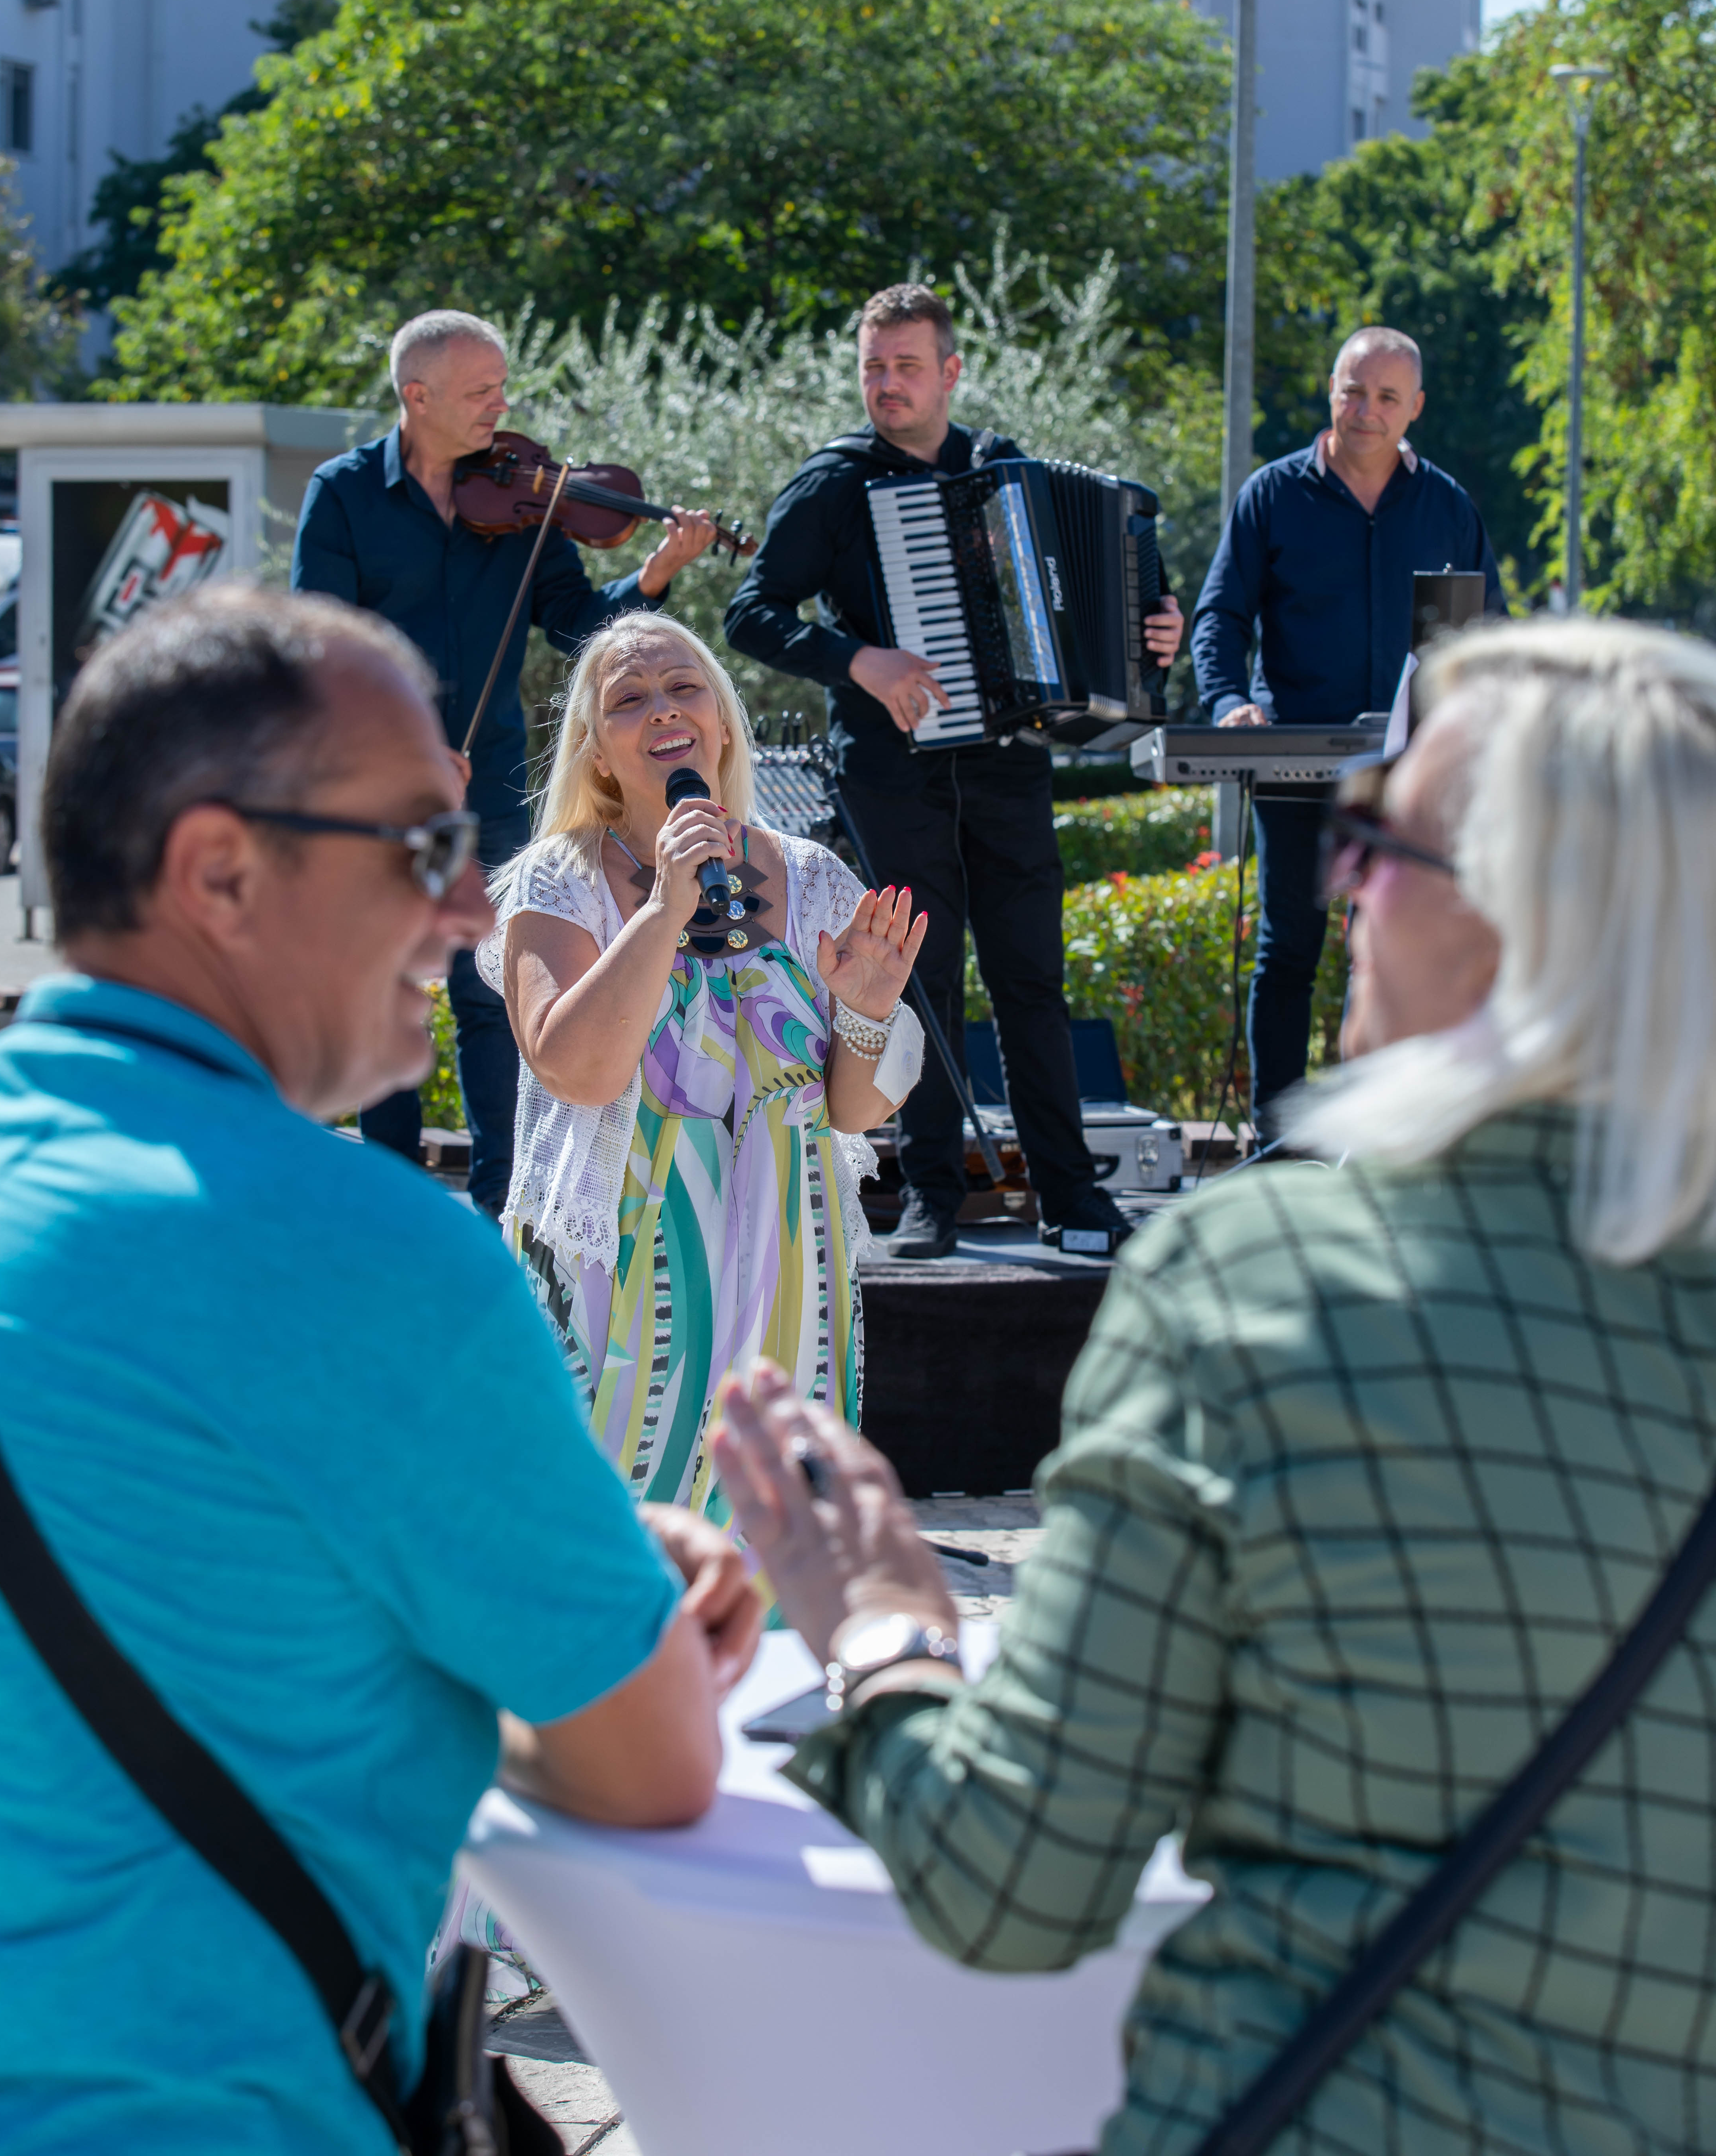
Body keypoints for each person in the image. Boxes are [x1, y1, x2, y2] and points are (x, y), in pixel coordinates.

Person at [714, 612, 1716, 2156]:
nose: (1341, 887)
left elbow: (1010, 1882)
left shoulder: (1258, 1281)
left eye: (1378, 843)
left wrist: (883, 1635)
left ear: (1524, 918)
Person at [0, 586, 760, 2153]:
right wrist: (573, 1604)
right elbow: (648, 1766)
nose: (462, 912)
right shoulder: (375, 1258)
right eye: (422, 848)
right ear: (220, 870)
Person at [723, 282, 1184, 1260]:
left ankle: (1069, 1193)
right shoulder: (834, 485)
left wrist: (1157, 625)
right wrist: (859, 660)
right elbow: (750, 614)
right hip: (893, 773)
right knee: (920, 979)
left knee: (1031, 978)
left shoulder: (1002, 469)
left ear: (949, 373)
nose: (887, 385)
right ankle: (929, 1195)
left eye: (906, 367)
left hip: (1009, 764)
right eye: (873, 368)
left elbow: (1116, 590)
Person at [479, 611, 926, 1522]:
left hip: (785, 1260)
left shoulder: (810, 875)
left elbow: (853, 1113)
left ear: (722, 724)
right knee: (607, 1530)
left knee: (772, 1533)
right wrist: (663, 910)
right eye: (628, 699)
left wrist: (867, 1012)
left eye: (685, 687)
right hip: (618, 1263)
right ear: (597, 753)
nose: (663, 709)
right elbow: (576, 1070)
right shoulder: (556, 879)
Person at [292, 308, 720, 1217]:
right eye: (480, 391)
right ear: (418, 397)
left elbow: (573, 623)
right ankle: (392, 1202)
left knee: (489, 989)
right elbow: (320, 652)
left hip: (487, 782)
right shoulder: (344, 496)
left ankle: (502, 1201)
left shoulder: (526, 495)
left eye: (502, 386)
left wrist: (651, 578)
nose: (502, 407)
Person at [1189, 323, 1506, 1138]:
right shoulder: (1272, 495)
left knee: (1399, 949)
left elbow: (1489, 633)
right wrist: (1228, 701)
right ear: (1331, 393)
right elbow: (1220, 617)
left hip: (1409, 776)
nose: (1366, 411)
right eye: (1353, 392)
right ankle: (1276, 1144)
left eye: (1386, 397)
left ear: (1415, 408)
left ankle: (1387, 1139)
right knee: (1289, 949)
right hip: (1294, 766)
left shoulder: (1447, 507)